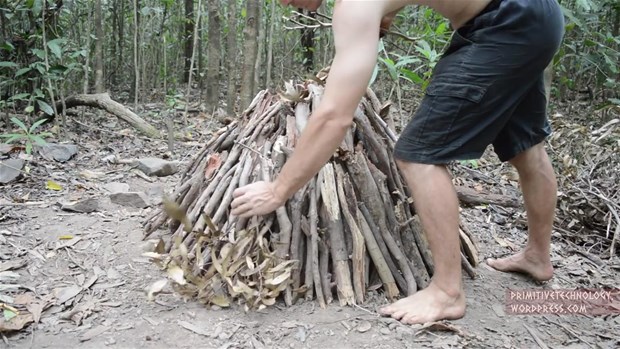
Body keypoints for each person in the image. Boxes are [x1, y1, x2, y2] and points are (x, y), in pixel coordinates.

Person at [231, 0, 565, 325]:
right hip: (538, 16)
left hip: (504, 25)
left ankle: (448, 292)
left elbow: (334, 117)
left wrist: (278, 189)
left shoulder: (354, 6)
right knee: (526, 147)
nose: (283, 3)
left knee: (419, 155)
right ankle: (538, 257)